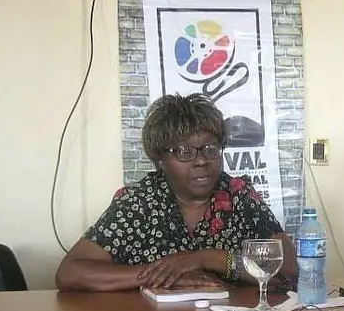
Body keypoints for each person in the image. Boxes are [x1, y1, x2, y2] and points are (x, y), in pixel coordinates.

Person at [56, 93, 296, 292]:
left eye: (210, 149)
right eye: (184, 152)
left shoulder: (240, 196)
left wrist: (204, 258)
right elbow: (70, 272)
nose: (202, 161)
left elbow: (289, 272)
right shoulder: (139, 202)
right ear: (160, 159)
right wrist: (161, 276)